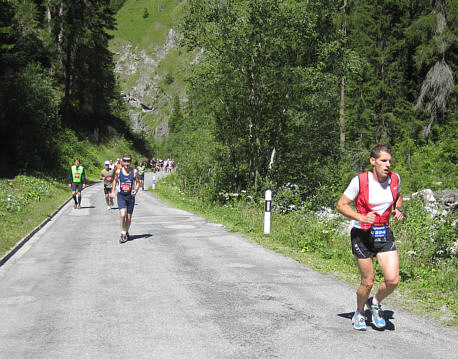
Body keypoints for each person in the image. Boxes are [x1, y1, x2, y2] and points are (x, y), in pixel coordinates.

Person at [336, 144, 404, 331]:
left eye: (390, 161)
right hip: (362, 234)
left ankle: (375, 303)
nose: (388, 164)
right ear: (373, 161)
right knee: (368, 281)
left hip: (384, 233)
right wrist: (361, 217)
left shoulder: (395, 179)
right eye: (383, 161)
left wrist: (397, 209)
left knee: (393, 280)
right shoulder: (360, 181)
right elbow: (341, 205)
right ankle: (359, 312)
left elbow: (398, 196)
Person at [110, 155, 140, 243]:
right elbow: (115, 180)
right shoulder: (118, 171)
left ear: (130, 162)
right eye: (125, 161)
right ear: (122, 162)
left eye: (128, 161)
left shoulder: (134, 172)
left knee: (129, 217)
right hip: (121, 196)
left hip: (130, 197)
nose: (126, 163)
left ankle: (126, 232)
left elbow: (138, 182)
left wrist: (136, 190)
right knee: (123, 214)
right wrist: (112, 191)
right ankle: (123, 233)